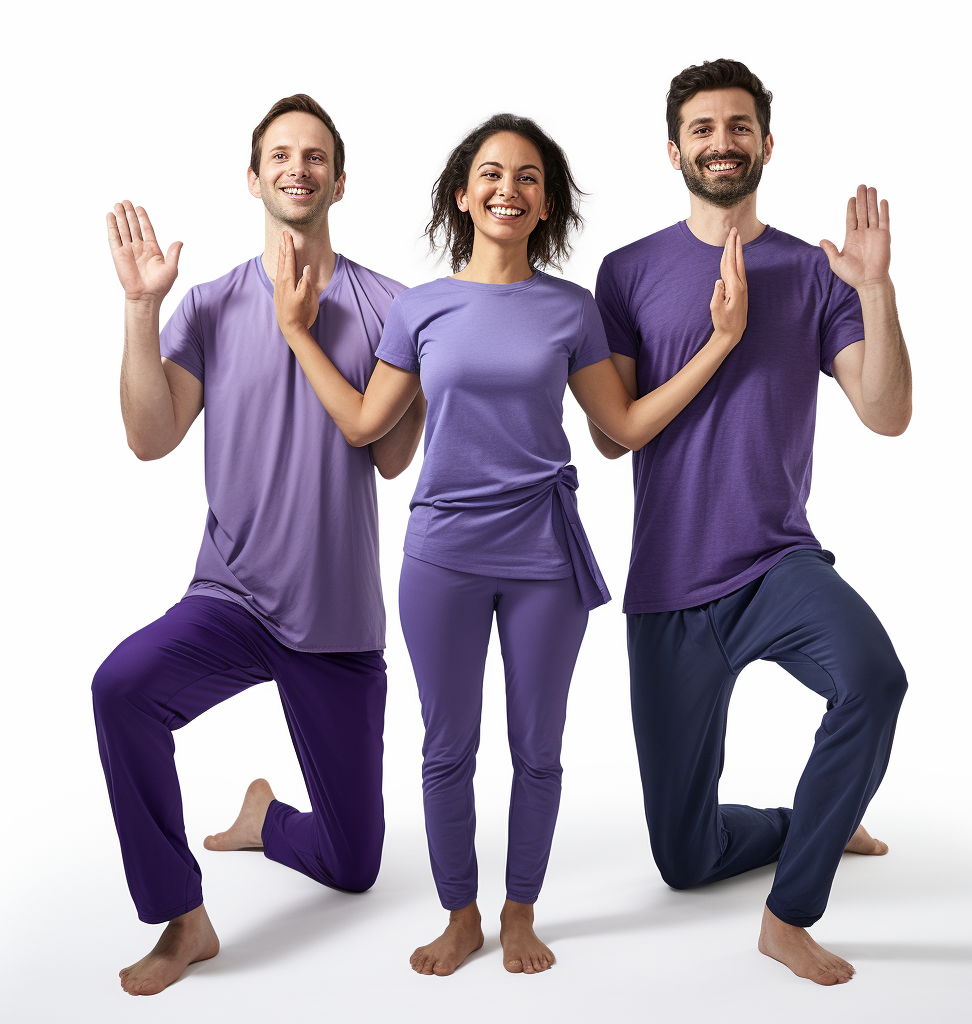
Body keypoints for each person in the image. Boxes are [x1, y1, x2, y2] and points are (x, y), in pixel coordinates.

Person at [271, 112, 748, 975]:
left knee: (537, 749)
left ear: (545, 204)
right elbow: (365, 426)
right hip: (441, 556)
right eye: (491, 173)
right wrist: (300, 332)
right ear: (463, 194)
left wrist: (718, 342)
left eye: (529, 177)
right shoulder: (421, 307)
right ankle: (461, 914)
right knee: (447, 747)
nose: (508, 188)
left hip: (543, 562)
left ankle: (520, 911)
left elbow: (624, 426)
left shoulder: (571, 309)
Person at [93, 93, 425, 997]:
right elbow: (149, 437)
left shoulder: (389, 306)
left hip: (338, 615)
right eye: (280, 155)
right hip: (231, 600)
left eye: (315, 157)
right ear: (254, 177)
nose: (297, 168)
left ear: (339, 181)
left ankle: (267, 819)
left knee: (356, 865)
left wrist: (420, 371)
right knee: (122, 689)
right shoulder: (205, 304)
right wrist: (137, 308)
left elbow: (392, 460)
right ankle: (182, 918)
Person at [589, 59, 912, 986]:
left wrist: (877, 289)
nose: (721, 142)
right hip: (668, 590)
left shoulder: (816, 273)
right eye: (703, 128)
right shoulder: (628, 272)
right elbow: (613, 441)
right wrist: (717, 338)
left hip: (778, 564)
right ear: (673, 148)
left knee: (873, 679)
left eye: (739, 127)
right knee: (684, 861)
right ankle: (814, 819)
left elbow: (886, 414)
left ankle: (789, 913)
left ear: (766, 145)